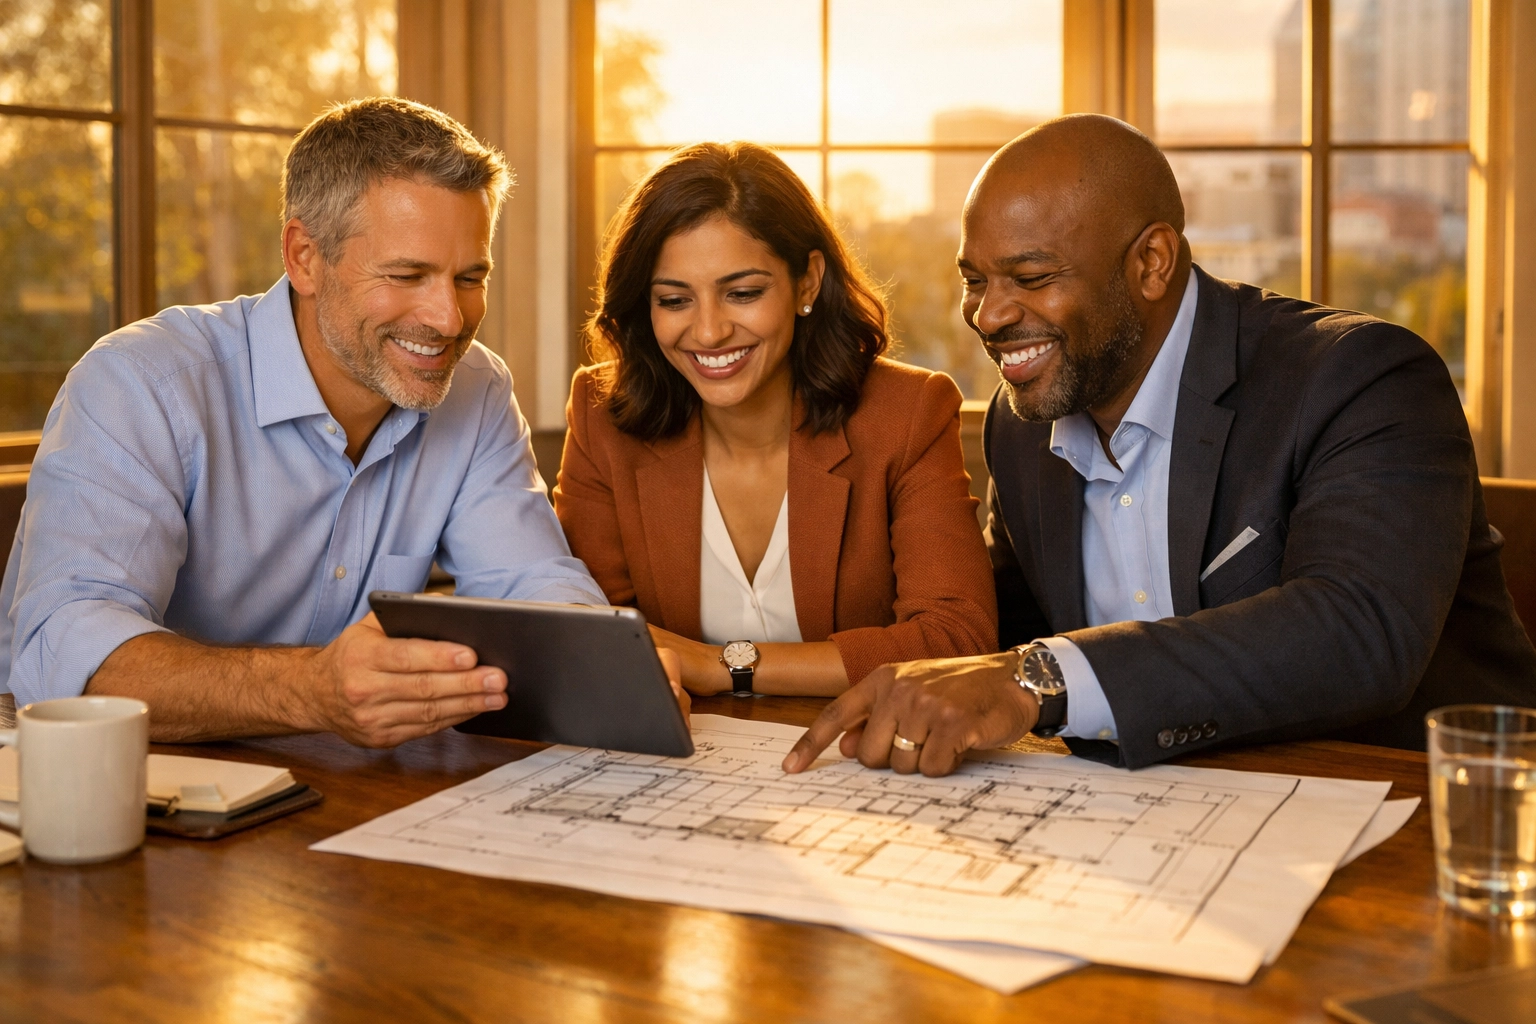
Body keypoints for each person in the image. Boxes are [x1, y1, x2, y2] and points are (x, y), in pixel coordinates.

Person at [784, 114, 1536, 777]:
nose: (987, 315)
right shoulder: (1024, 430)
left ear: (1151, 262)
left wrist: (1036, 680)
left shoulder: (1362, 376)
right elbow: (994, 638)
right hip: (1163, 833)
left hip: (1425, 824)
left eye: (1031, 277)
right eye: (973, 279)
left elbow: (1355, 632)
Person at [0, 97, 685, 747]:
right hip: (123, 786)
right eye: (407, 274)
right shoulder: (142, 382)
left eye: (470, 278)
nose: (449, 320)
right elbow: (65, 647)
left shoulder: (476, 389)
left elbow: (531, 584)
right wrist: (308, 691)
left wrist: (605, 670)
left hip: (330, 791)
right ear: (303, 257)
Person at [555, 142, 997, 697]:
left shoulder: (906, 413)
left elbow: (956, 640)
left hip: (854, 757)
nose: (710, 331)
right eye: (674, 300)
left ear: (807, 282)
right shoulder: (604, 415)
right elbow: (589, 629)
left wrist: (723, 666)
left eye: (742, 293)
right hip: (682, 758)